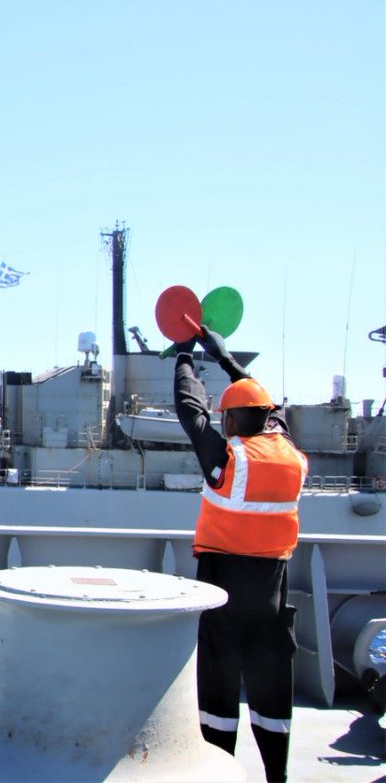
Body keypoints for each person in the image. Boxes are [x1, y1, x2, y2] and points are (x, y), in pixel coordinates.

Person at [172, 325, 308, 783]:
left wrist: (186, 357)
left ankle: (219, 771)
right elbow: (273, 411)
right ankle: (276, 776)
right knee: (271, 693)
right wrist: (226, 357)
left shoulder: (227, 463)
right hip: (271, 592)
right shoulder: (290, 455)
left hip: (222, 587)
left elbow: (190, 410)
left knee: (218, 689)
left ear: (229, 421)